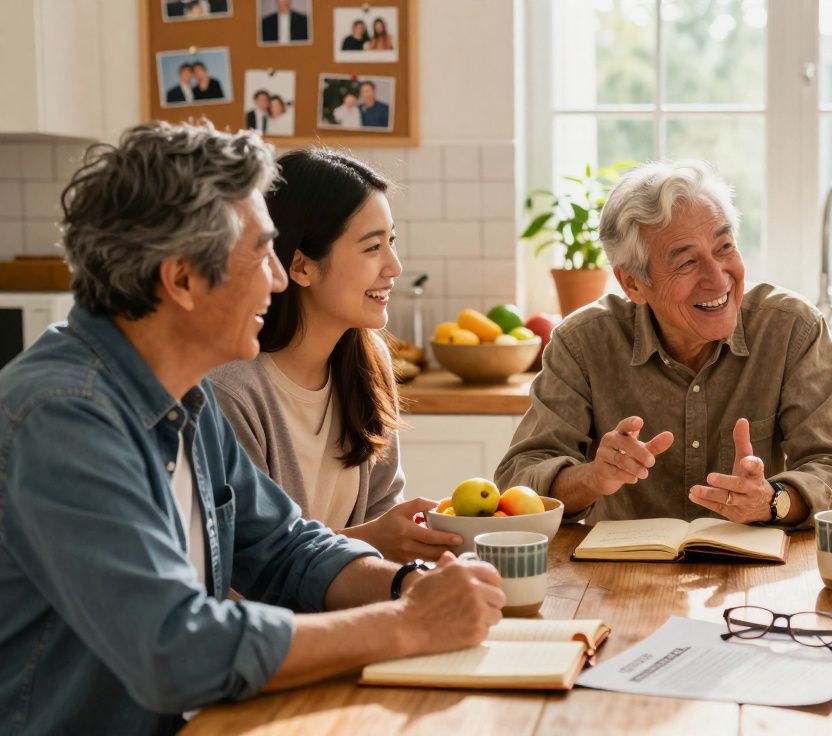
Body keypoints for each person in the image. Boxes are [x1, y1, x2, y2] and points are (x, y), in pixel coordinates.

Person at [0, 121, 504, 733]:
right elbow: (173, 648)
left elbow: (285, 548)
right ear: (182, 278)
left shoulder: (182, 394)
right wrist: (408, 625)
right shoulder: (65, 416)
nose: (276, 275)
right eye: (260, 251)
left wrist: (406, 585)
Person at [496, 159, 832, 527]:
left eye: (724, 248)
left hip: (753, 573)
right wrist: (593, 477)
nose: (717, 280)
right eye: (687, 263)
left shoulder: (791, 329)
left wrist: (774, 501)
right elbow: (518, 480)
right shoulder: (582, 342)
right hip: (616, 575)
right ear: (633, 284)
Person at [210, 149, 459, 563]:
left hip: (355, 615)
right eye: (372, 247)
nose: (394, 266)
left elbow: (382, 508)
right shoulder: (231, 391)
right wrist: (371, 541)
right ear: (301, 266)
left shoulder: (368, 358)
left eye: (391, 241)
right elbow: (240, 569)